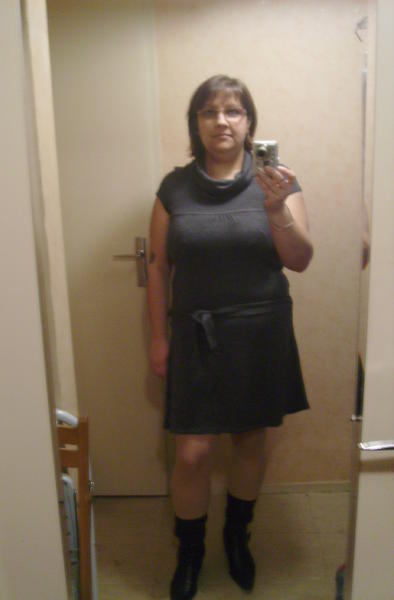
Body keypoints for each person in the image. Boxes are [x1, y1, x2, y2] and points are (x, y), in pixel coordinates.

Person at [146, 74, 313, 599]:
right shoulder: (174, 188)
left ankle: (237, 537)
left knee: (250, 441)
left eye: (233, 111)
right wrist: (157, 339)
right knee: (192, 453)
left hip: (260, 330)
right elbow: (158, 267)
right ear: (195, 123)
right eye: (209, 111)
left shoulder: (278, 183)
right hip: (195, 334)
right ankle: (190, 552)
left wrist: (275, 208)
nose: (221, 120)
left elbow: (300, 259)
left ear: (249, 123)